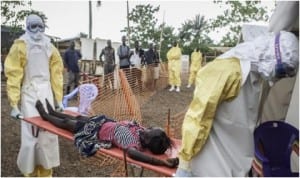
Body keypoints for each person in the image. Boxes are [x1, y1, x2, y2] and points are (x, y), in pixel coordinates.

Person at [175, 31, 298, 177]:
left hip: (237, 159)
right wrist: (185, 160)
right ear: (273, 52)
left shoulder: (257, 74)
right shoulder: (227, 70)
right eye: (281, 71)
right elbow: (199, 116)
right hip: (209, 163)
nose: (278, 77)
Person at [35, 99, 179, 168]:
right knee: (75, 117)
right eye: (151, 127)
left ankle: (46, 116)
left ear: (147, 142)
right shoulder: (141, 131)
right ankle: (53, 112)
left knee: (68, 124)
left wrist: (163, 163)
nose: (147, 128)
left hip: (95, 131)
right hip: (103, 122)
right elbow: (158, 136)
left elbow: (133, 154)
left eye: (149, 131)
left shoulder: (132, 142)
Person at [4, 14, 64, 177]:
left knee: (48, 135)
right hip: (29, 94)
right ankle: (29, 172)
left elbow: (56, 75)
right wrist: (14, 104)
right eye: (33, 26)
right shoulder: (20, 46)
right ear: (27, 27)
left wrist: (58, 99)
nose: (37, 30)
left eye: (40, 26)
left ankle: (46, 172)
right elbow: (14, 75)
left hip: (46, 95)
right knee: (31, 136)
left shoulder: (50, 48)